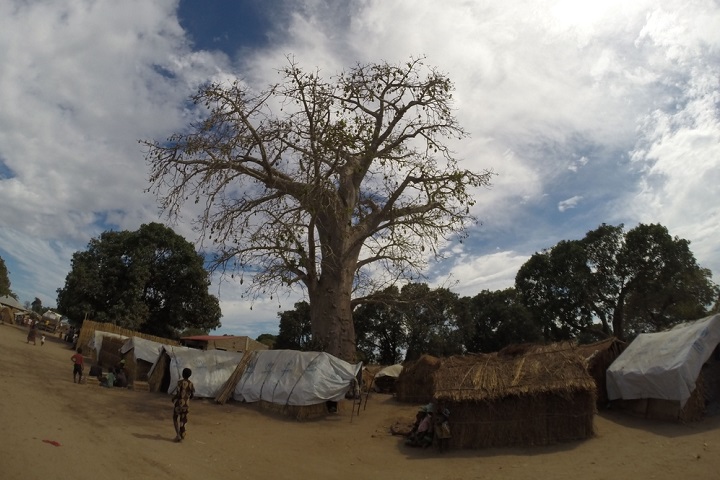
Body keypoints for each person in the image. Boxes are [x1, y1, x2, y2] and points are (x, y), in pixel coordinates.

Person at [171, 367, 195, 442]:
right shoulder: (191, 384)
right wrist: (187, 398)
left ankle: (178, 435)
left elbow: (178, 394)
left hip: (179, 403)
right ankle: (182, 435)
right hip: (186, 405)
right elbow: (192, 395)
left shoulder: (180, 382)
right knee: (183, 420)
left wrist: (173, 398)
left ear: (182, 374)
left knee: (175, 418)